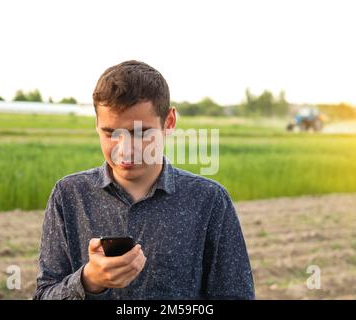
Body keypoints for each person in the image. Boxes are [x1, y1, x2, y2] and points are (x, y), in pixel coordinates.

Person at [33, 60, 255, 299]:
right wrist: (88, 280)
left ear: (169, 122)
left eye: (140, 132)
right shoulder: (68, 195)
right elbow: (44, 294)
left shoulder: (209, 200)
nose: (125, 150)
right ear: (97, 124)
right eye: (110, 133)